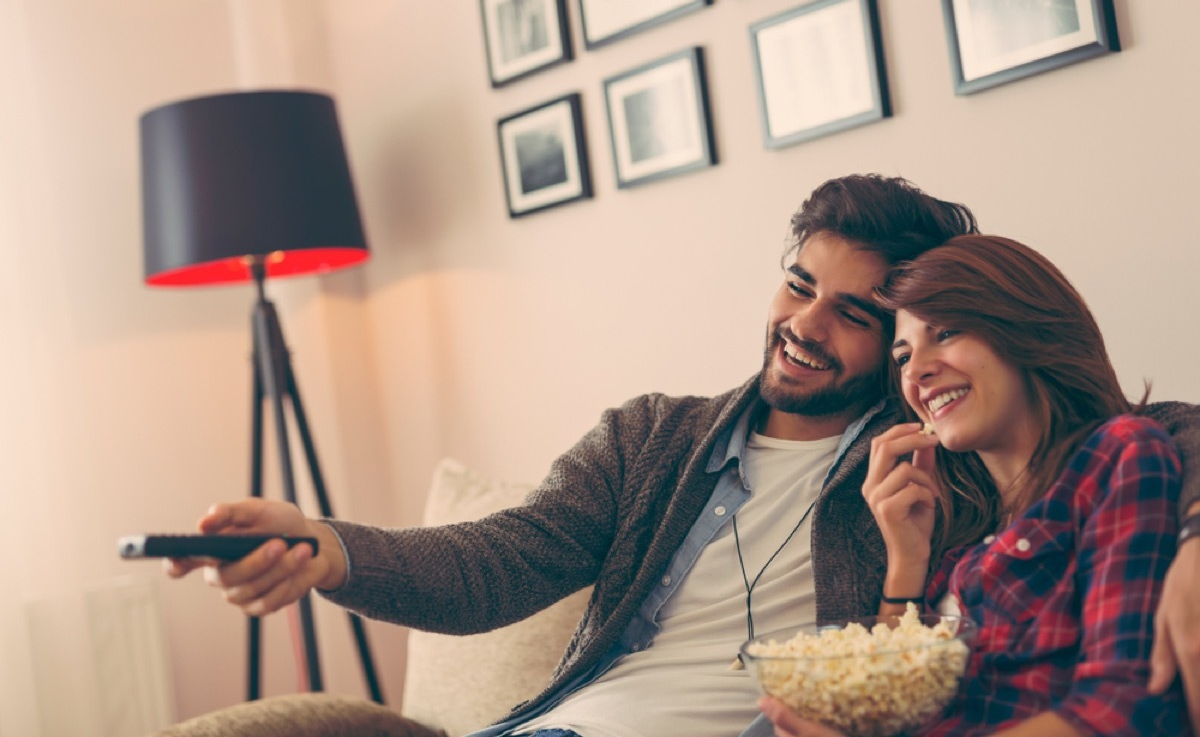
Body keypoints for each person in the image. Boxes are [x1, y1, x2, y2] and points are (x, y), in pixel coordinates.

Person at [168, 175, 1200, 737]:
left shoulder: (935, 456)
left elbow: (1145, 429)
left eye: (852, 314)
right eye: (797, 284)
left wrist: (1196, 537)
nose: (805, 324)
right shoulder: (653, 434)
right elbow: (496, 561)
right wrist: (326, 545)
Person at [760, 235, 1189, 736]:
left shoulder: (1117, 455)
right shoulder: (958, 529)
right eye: (902, 357)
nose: (917, 371)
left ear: (1024, 329)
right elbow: (890, 707)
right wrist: (907, 559)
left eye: (945, 333)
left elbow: (1123, 709)